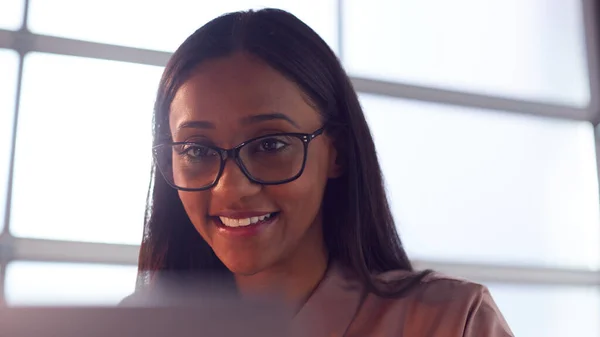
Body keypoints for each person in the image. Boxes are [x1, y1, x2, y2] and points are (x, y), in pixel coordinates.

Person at [124, 8, 513, 337]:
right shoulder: (134, 328)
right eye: (196, 149)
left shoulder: (450, 322)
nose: (233, 187)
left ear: (337, 151)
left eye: (270, 144)